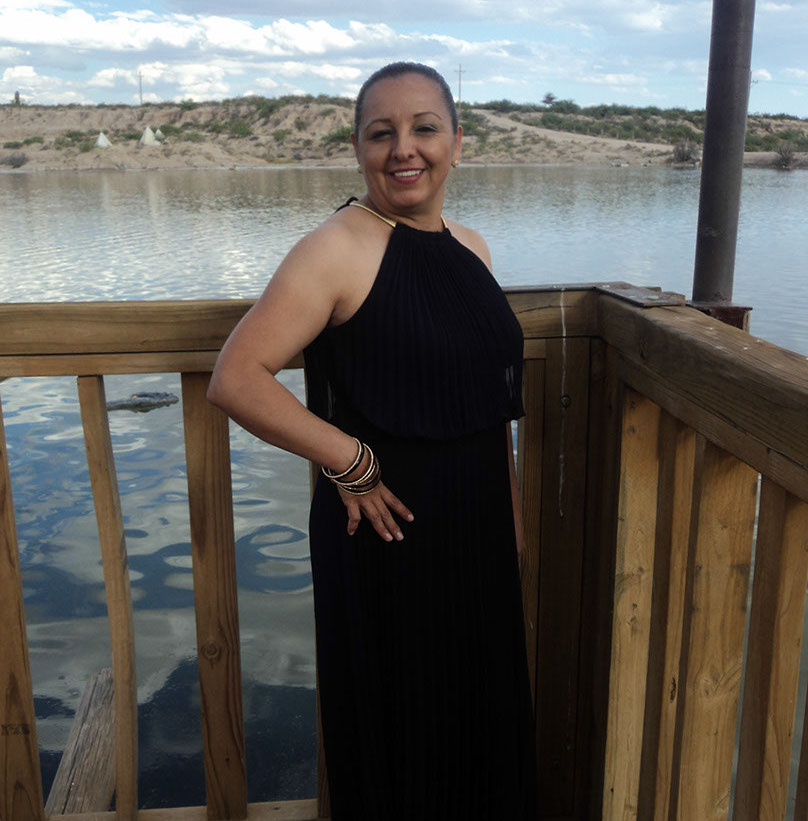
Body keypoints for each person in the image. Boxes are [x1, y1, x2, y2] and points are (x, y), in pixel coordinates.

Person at [208, 61, 538, 820]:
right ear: (358, 148)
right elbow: (237, 377)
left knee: (481, 727)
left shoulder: (473, 247)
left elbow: (488, 408)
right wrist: (348, 459)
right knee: (402, 735)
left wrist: (512, 519)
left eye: (424, 128)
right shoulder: (336, 248)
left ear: (458, 142)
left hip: (479, 530)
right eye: (381, 133)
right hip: (387, 533)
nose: (404, 149)